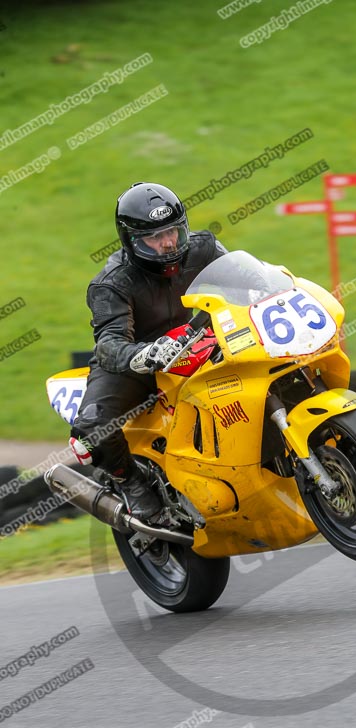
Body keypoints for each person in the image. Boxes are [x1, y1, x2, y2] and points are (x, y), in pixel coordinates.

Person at [69, 182, 228, 520]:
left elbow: (248, 279)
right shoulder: (111, 283)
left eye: (172, 231)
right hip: (140, 363)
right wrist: (143, 355)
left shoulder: (203, 249)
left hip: (199, 343)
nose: (168, 243)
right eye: (154, 238)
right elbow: (109, 344)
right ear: (131, 240)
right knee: (90, 426)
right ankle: (131, 482)